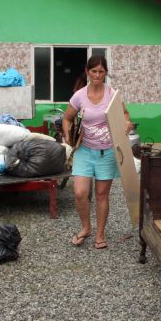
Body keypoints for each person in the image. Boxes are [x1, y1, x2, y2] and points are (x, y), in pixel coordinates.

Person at [62, 55, 132, 249]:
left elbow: (125, 115)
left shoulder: (112, 95)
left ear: (105, 73)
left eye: (101, 71)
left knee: (102, 194)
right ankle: (86, 227)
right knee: (79, 192)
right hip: (84, 150)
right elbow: (67, 118)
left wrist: (126, 124)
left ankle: (100, 235)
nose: (97, 75)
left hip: (107, 152)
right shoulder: (79, 96)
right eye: (94, 71)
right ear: (87, 72)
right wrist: (69, 136)